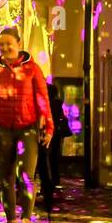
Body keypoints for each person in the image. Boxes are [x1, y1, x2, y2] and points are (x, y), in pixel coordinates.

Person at [0, 27, 54, 223]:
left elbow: (42, 98)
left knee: (27, 176)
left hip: (27, 128)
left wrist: (48, 127)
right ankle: (11, 220)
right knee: (5, 178)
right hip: (3, 130)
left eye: (8, 43)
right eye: (1, 44)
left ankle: (27, 220)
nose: (4, 48)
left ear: (18, 43)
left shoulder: (32, 69)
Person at [36, 82, 71, 213]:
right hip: (56, 136)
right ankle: (53, 183)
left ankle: (47, 188)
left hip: (48, 135)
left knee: (46, 161)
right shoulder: (58, 103)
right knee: (53, 160)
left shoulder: (47, 104)